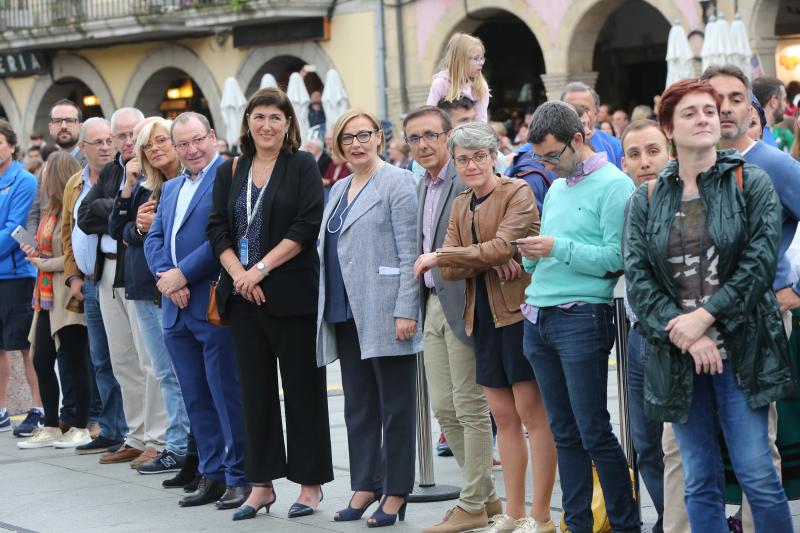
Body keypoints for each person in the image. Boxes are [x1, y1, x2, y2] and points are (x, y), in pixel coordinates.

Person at [623, 78, 794, 533]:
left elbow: (759, 266)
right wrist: (684, 331)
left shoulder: (749, 180)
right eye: (689, 113)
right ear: (669, 129)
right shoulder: (646, 197)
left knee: (757, 474)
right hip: (678, 354)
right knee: (698, 478)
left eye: (708, 110)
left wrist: (703, 317)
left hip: (744, 348)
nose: (704, 119)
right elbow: (639, 280)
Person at [413, 121, 557, 533]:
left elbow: (499, 246)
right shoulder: (461, 202)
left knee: (533, 417)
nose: (472, 165)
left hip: (518, 314)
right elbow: (459, 267)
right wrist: (484, 257)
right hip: (482, 318)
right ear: (455, 163)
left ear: (494, 156)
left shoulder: (517, 192)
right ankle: (512, 513)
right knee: (504, 419)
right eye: (463, 159)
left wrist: (450, 254)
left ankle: (542, 517)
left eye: (479, 156)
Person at [205, 88, 332, 520]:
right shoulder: (231, 169)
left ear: (288, 124)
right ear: (247, 123)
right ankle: (261, 486)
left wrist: (259, 270)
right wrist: (240, 275)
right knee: (254, 393)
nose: (266, 125)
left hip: (291, 295)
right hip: (242, 300)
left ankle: (310, 485)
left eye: (275, 118)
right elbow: (218, 228)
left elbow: (307, 225)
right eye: (258, 117)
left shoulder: (302, 166)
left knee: (302, 392)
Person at [518, 101, 638, 533]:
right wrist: (528, 258)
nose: (547, 166)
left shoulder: (614, 185)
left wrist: (555, 248)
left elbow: (615, 259)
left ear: (578, 139)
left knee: (592, 430)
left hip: (582, 316)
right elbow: (553, 254)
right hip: (539, 314)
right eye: (541, 159)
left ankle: (625, 524)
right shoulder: (556, 188)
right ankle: (577, 524)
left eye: (552, 156)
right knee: (563, 431)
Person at [317, 109, 420, 528]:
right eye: (347, 137)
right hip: (344, 311)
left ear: (379, 137)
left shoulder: (398, 182)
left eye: (364, 135)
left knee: (396, 407)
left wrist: (405, 310)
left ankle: (395, 492)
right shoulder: (340, 187)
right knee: (358, 407)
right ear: (338, 144)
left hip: (385, 310)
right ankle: (364, 484)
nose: (356, 143)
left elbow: (409, 253)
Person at [403, 107, 501, 533]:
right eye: (414, 138)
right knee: (444, 409)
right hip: (433, 303)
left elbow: (488, 242)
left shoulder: (466, 178)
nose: (423, 144)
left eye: (430, 135)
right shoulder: (423, 185)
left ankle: (472, 501)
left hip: (467, 302)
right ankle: (487, 497)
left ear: (447, 137)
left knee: (470, 407)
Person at [144, 112, 247, 509]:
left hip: (212, 301)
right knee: (195, 398)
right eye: (182, 144)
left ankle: (240, 476)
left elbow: (223, 236)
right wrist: (166, 277)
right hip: (175, 308)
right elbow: (154, 238)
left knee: (226, 394)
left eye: (197, 140)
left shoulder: (230, 175)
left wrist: (182, 276)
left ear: (213, 138)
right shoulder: (169, 188)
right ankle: (211, 474)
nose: (192, 150)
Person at [77, 107, 170, 467]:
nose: (129, 142)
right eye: (122, 136)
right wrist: (118, 204)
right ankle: (136, 433)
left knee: (150, 361)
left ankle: (158, 438)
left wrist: (117, 211)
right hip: (107, 275)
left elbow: (132, 224)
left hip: (139, 273)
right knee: (122, 361)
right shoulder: (115, 169)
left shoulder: (153, 172)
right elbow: (86, 216)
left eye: (135, 134)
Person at [108, 117, 190, 474]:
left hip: (180, 286)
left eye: (161, 141)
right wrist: (137, 222)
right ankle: (177, 445)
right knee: (164, 372)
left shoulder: (190, 181)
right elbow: (120, 230)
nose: (155, 149)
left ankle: (185, 446)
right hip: (144, 286)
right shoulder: (147, 185)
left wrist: (139, 231)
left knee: (183, 372)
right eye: (147, 146)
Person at [16, 152, 91, 449]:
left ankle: (81, 425)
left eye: (47, 173)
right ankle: (51, 425)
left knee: (75, 362)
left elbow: (75, 257)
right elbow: (47, 249)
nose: (42, 179)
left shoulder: (73, 209)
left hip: (67, 295)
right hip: (45, 297)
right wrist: (33, 251)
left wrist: (43, 263)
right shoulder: (48, 210)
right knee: (41, 359)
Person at [62, 118, 126, 455]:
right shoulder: (76, 182)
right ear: (82, 148)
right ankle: (112, 429)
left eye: (108, 140)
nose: (105, 147)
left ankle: (129, 430)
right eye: (97, 142)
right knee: (100, 359)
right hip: (88, 282)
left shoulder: (121, 175)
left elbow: (117, 218)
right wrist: (72, 276)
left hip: (117, 276)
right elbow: (71, 229)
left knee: (123, 358)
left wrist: (104, 210)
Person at [619, 119, 671, 533]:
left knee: (683, 443)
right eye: (635, 154)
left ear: (669, 151)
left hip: (677, 337)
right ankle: (669, 518)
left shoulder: (685, 198)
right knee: (644, 440)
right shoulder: (633, 202)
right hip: (638, 336)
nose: (645, 162)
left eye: (653, 151)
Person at [0, 120, 41, 435]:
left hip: (17, 276)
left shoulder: (24, 180)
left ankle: (38, 407)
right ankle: (2, 409)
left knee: (24, 346)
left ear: (12, 146)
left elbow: (16, 230)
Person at [427, 32, 490, 123]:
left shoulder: (481, 86)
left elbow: (481, 119)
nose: (481, 63)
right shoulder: (441, 83)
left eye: (482, 58)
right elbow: (430, 114)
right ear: (460, 60)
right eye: (476, 59)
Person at [561, 82, 625, 169]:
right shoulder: (551, 148)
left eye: (585, 108)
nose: (578, 113)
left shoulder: (615, 146)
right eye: (571, 108)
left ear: (596, 113)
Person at [48, 99, 86, 166]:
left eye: (70, 121)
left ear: (81, 127)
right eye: (57, 121)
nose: (63, 126)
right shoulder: (48, 166)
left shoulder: (92, 165)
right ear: (50, 128)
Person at [752, 77, 786, 149]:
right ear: (774, 101)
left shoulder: (753, 134)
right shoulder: (762, 138)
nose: (786, 105)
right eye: (784, 99)